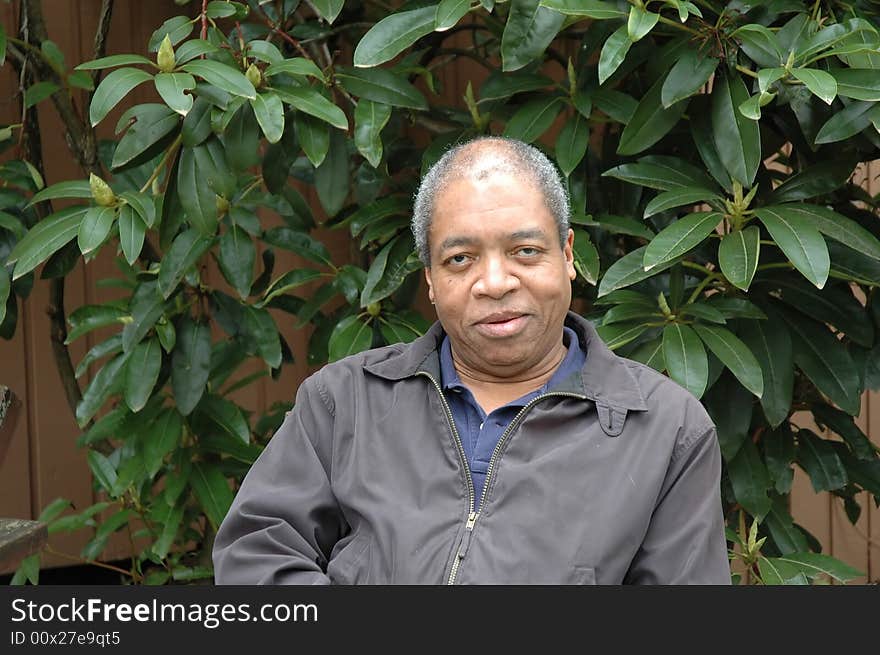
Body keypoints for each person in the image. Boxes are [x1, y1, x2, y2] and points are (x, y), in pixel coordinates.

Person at [212, 136, 730, 585]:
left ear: (568, 255)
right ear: (431, 280)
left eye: (525, 250)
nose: (496, 283)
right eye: (461, 259)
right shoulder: (342, 402)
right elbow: (257, 553)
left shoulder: (667, 432)